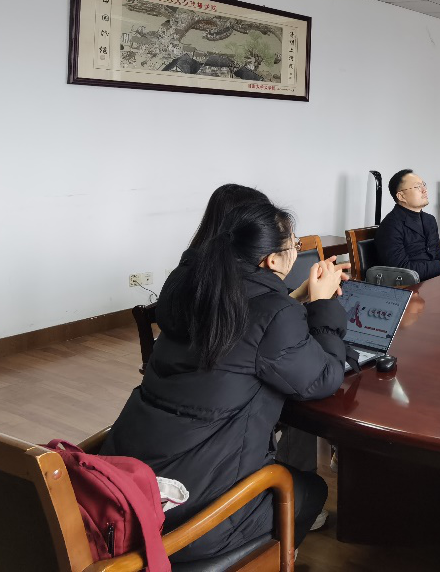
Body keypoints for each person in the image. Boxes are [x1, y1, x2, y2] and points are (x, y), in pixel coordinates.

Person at [102, 199, 351, 563]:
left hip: (126, 489)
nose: (297, 251)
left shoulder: (195, 293)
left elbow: (250, 331)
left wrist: (293, 300)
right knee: (310, 490)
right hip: (193, 515)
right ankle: (266, 563)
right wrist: (322, 305)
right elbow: (323, 378)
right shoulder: (273, 313)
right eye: (295, 244)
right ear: (272, 260)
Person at [375, 169, 440, 281]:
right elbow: (401, 270)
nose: (424, 190)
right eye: (417, 187)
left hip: (434, 279)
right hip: (410, 285)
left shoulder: (429, 220)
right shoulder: (390, 226)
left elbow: (437, 255)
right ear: (401, 196)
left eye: (423, 185)